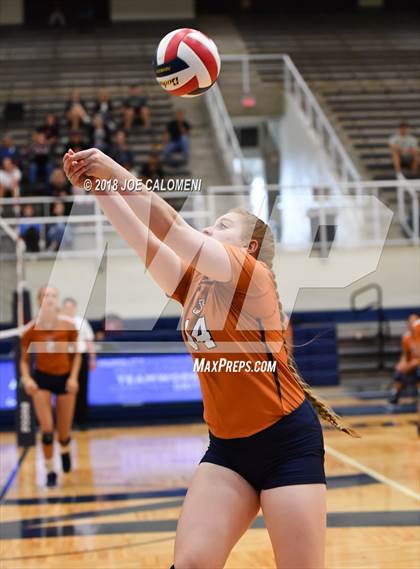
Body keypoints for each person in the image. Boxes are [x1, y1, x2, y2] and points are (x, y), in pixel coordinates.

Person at [64, 147, 358, 569]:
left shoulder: (254, 276)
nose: (208, 228)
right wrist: (97, 185)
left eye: (221, 225)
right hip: (227, 451)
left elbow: (173, 229)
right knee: (191, 564)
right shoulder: (196, 284)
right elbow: (143, 239)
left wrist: (110, 167)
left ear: (249, 246)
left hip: (287, 446)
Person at [21, 285, 81, 487]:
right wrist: (27, 379)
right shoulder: (31, 329)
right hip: (42, 379)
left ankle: (64, 449)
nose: (50, 298)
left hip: (64, 379)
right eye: (46, 295)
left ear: (57, 300)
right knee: (47, 430)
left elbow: (77, 355)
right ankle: (49, 470)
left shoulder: (68, 326)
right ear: (39, 300)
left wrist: (73, 378)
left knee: (63, 433)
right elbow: (23, 360)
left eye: (54, 295)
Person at [61, 298, 96, 429]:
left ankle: (82, 421)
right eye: (66, 307)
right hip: (64, 358)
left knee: (82, 389)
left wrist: (92, 358)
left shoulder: (82, 321)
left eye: (71, 307)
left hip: (81, 357)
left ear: (75, 308)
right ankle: (67, 421)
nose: (69, 309)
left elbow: (89, 342)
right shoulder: (59, 322)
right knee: (65, 390)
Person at [388, 314, 420, 410]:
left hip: (417, 364)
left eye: (415, 321)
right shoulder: (406, 337)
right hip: (413, 364)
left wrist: (414, 363)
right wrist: (402, 364)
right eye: (411, 321)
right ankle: (394, 397)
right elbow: (405, 355)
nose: (413, 324)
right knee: (399, 372)